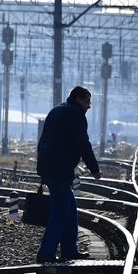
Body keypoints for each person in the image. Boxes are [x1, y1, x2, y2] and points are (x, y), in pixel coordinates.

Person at [35, 86, 103, 263]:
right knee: (61, 211)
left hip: (53, 168)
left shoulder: (57, 110)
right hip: (58, 169)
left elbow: (43, 142)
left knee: (70, 208)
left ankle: (69, 249)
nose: (89, 106)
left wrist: (43, 169)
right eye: (87, 102)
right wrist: (94, 169)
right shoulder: (75, 114)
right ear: (78, 99)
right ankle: (46, 252)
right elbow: (83, 144)